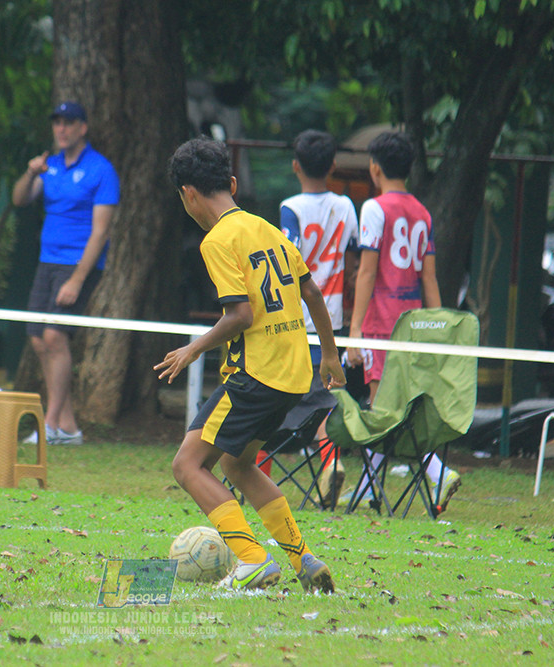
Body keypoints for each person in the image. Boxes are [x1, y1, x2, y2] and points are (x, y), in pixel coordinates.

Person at [157, 137, 345, 592]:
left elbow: (240, 314)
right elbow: (313, 293)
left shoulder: (217, 240)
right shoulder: (267, 229)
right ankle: (304, 559)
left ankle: (252, 559)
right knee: (239, 466)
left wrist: (192, 348)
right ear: (233, 183)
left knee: (187, 465)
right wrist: (331, 355)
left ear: (188, 194)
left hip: (255, 374)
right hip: (294, 372)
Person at [345, 131, 459, 512]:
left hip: (382, 323)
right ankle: (369, 487)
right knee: (396, 409)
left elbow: (366, 271)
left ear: (375, 168)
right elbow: (429, 277)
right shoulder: (422, 212)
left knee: (382, 409)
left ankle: (437, 474)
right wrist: (438, 324)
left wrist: (356, 330)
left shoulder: (375, 209)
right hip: (413, 323)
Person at [11, 101, 119, 446]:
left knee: (56, 337)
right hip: (47, 261)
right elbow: (19, 200)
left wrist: (77, 279)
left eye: (69, 123)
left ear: (82, 128)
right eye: (57, 122)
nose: (62, 129)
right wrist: (31, 172)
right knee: (39, 339)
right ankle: (69, 428)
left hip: (78, 264)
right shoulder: (50, 165)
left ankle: (50, 424)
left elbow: (101, 232)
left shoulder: (101, 169)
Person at [278, 129, 359, 507]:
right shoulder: (345, 206)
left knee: (276, 401)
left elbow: (288, 261)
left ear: (295, 166)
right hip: (334, 320)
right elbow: (354, 257)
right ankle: (330, 463)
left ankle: (257, 474)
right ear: (333, 166)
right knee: (325, 400)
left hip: (297, 320)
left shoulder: (290, 207)